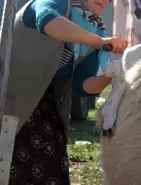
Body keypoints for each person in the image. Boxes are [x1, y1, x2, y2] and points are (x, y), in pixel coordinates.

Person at [5, 0, 127, 184]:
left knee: (52, 173)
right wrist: (99, 42)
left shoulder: (96, 31)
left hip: (46, 111)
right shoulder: (58, 2)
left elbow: (81, 84)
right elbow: (48, 21)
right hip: (11, 97)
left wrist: (111, 76)